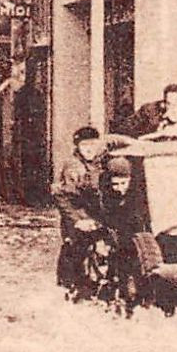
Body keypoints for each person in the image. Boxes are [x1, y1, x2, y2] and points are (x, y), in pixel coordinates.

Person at [52, 125, 106, 291]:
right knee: (76, 250)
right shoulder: (74, 167)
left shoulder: (102, 163)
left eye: (92, 144)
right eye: (84, 145)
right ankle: (70, 287)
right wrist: (77, 220)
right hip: (77, 215)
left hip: (98, 215)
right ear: (77, 147)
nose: (89, 149)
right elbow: (62, 197)